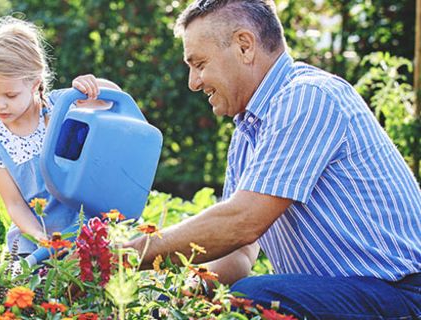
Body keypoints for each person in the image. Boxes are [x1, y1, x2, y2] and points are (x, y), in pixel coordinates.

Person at [126, 0, 421, 318]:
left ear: (244, 46)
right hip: (350, 296)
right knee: (229, 302)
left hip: (402, 295)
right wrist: (183, 298)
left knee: (251, 297)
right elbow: (238, 251)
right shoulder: (246, 135)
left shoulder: (308, 98)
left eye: (199, 64)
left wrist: (128, 254)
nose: (193, 82)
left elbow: (243, 222)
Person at [0, 16, 121, 256]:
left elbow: (113, 101)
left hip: (84, 236)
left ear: (34, 84)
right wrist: (40, 238)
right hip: (33, 248)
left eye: (10, 95)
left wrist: (93, 86)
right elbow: (15, 204)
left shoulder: (62, 106)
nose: (0, 105)